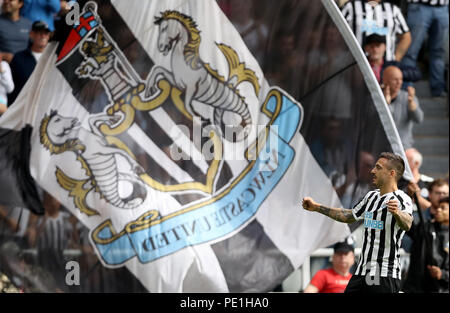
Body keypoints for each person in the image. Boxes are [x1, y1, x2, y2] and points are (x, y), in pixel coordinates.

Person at [302, 152, 413, 293]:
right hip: (362, 271)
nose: (373, 171)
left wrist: (397, 213)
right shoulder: (371, 196)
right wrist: (317, 207)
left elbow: (408, 223)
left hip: (384, 272)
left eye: (378, 168)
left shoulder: (402, 199)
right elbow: (349, 215)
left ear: (391, 173)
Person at [401, 0, 449, 98]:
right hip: (419, 6)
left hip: (443, 7)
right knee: (410, 51)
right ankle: (406, 90)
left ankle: (438, 90)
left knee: (439, 52)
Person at [402, 196, 449, 293]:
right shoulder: (425, 227)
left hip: (440, 289)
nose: (438, 210)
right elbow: (409, 228)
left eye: (443, 208)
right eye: (437, 207)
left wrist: (442, 274)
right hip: (415, 287)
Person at [341, 0, 411, 62]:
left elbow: (406, 37)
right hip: (356, 64)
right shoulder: (350, 7)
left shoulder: (393, 9)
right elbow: (334, 32)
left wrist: (396, 59)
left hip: (386, 65)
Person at [8, 20, 51, 104]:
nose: (43, 36)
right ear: (31, 34)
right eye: (39, 33)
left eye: (46, 33)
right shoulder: (18, 58)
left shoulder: (52, 59)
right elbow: (10, 86)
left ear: (49, 36)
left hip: (43, 105)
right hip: (20, 105)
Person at [381, 65, 424, 150]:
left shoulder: (407, 96)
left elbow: (419, 119)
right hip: (380, 147)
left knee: (415, 157)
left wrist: (411, 103)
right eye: (395, 79)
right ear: (385, 80)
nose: (399, 82)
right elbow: (384, 123)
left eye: (401, 79)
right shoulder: (376, 96)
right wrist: (386, 104)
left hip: (403, 147)